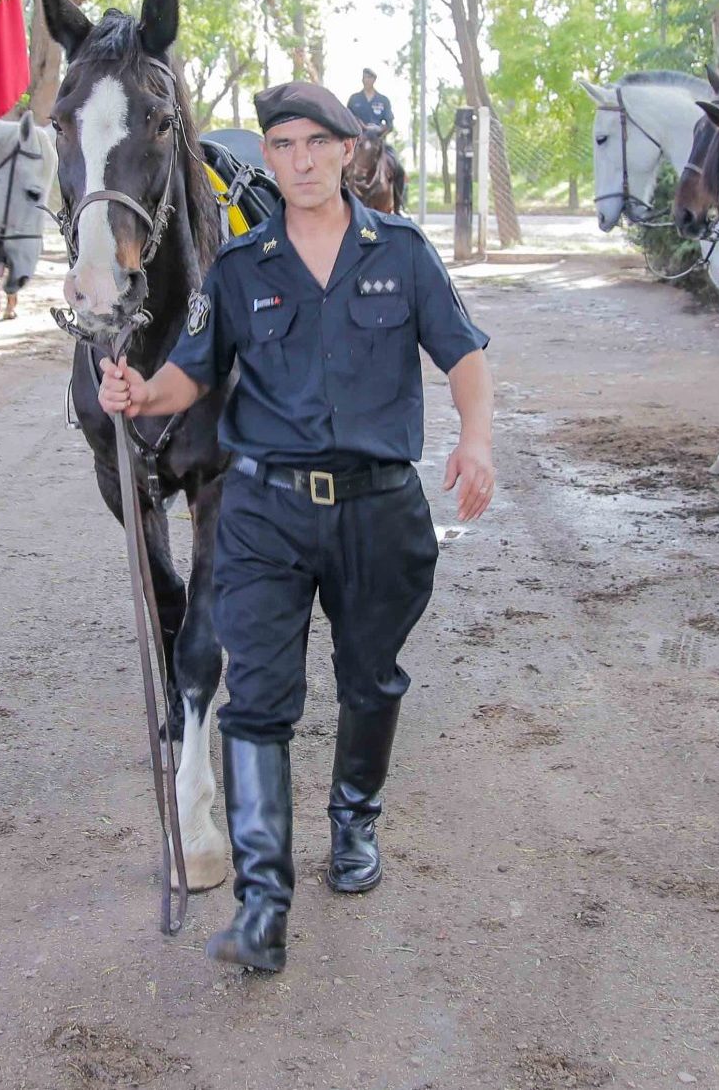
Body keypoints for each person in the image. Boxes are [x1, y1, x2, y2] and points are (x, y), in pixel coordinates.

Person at [96, 81, 496, 975]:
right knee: (259, 704)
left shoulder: (402, 252)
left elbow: (464, 354)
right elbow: (187, 378)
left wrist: (476, 441)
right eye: (284, 145)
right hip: (266, 514)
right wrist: (138, 393)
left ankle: (353, 825)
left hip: (379, 509)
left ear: (348, 151)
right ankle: (262, 906)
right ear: (268, 159)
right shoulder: (240, 271)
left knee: (371, 681)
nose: (302, 160)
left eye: (319, 143)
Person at [347, 69, 395, 138]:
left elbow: (390, 124)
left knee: (390, 149)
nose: (366, 80)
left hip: (377, 138)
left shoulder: (383, 100)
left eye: (369, 77)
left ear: (374, 79)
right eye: (364, 77)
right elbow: (347, 119)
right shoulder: (354, 99)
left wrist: (380, 131)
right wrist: (360, 125)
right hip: (358, 138)